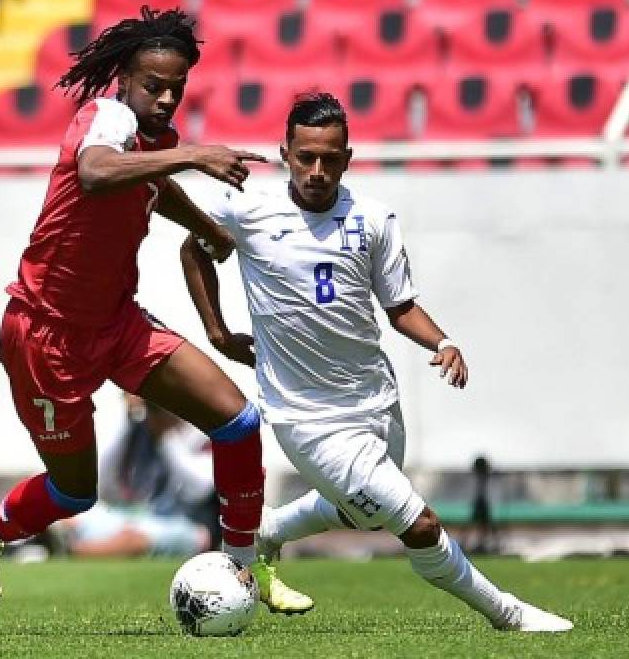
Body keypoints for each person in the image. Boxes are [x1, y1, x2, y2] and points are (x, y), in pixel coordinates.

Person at [0, 7, 311, 615]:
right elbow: (97, 172)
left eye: (177, 88)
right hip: (46, 335)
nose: (166, 99)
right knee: (74, 492)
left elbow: (150, 185)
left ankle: (249, 568)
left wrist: (205, 227)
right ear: (124, 78)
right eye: (154, 86)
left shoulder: (151, 140)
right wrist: (193, 154)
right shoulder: (106, 118)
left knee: (238, 423)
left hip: (117, 323)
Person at [180, 92, 573, 632]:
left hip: (375, 399)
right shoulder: (246, 210)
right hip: (308, 419)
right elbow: (195, 247)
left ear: (348, 157)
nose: (317, 171)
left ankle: (269, 531)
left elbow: (400, 306)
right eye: (305, 157)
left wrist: (442, 343)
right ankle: (508, 614)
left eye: (330, 158)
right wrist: (218, 332)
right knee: (416, 523)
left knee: (358, 510)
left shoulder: (372, 219)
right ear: (285, 153)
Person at [51, 393, 218, 558]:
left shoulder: (201, 433)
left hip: (190, 526)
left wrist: (166, 437)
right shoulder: (138, 432)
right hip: (139, 516)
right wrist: (128, 421)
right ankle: (57, 545)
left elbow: (201, 489)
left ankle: (69, 551)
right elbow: (106, 489)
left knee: (133, 539)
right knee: (70, 518)